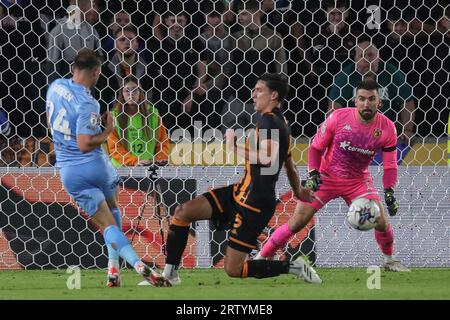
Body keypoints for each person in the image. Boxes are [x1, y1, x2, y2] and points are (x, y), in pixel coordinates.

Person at [153, 73, 320, 287]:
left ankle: (292, 267)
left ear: (274, 95)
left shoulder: (271, 122)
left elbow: (268, 159)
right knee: (183, 212)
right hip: (241, 192)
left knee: (234, 269)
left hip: (254, 203)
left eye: (259, 90)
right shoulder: (280, 122)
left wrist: (234, 147)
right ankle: (169, 275)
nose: (253, 94)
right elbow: (289, 162)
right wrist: (298, 191)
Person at [255, 79, 411, 275]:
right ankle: (261, 257)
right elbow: (316, 148)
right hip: (326, 177)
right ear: (355, 101)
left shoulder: (387, 128)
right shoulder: (338, 118)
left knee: (380, 219)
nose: (366, 103)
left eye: (371, 99)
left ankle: (389, 260)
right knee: (298, 221)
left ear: (379, 102)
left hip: (358, 181)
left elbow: (390, 165)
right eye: (361, 99)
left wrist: (389, 191)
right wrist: (313, 173)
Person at [45, 48, 170, 287]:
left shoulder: (55, 86)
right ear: (96, 72)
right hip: (98, 165)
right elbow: (85, 144)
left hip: (72, 172)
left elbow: (53, 122)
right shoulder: (87, 101)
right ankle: (114, 271)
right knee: (113, 212)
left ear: (73, 68)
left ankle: (136, 265)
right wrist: (107, 132)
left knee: (107, 225)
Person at [328, 36, 416, 145]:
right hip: (353, 132)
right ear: (355, 59)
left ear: (378, 58)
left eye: (370, 55)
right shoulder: (346, 75)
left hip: (386, 130)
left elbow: (407, 101)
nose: (366, 59)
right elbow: (334, 106)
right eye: (361, 56)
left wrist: (407, 129)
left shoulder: (391, 72)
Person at [107, 76, 170, 167]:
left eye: (135, 90)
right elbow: (114, 148)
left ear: (141, 93)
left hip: (147, 168)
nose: (131, 94)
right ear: (122, 93)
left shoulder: (152, 114)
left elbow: (162, 141)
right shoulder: (114, 116)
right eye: (127, 90)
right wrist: (135, 161)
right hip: (122, 170)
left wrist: (159, 160)